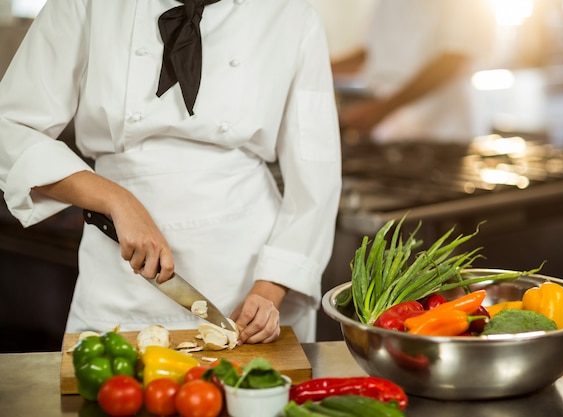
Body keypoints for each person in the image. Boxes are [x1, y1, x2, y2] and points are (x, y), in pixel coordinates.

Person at [0, 0, 341, 344]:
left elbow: (317, 178)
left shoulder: (293, 14)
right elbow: (10, 129)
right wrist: (117, 200)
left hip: (245, 276)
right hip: (118, 279)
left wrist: (269, 289)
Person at [332, 0, 497, 144]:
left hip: (445, 122)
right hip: (393, 122)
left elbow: (456, 57)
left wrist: (385, 108)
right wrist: (315, 66)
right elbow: (374, 52)